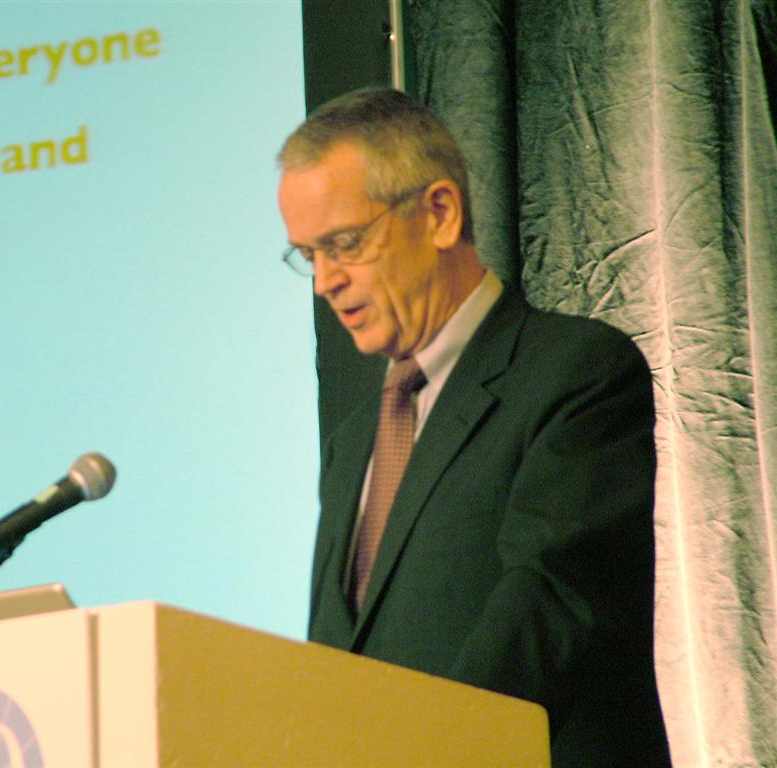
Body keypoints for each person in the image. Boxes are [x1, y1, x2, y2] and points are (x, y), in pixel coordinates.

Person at [277, 88, 671, 767]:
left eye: (344, 244)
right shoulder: (352, 445)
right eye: (308, 255)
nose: (324, 282)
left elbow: (549, 610)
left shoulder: (574, 373)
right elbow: (336, 657)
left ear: (439, 213)